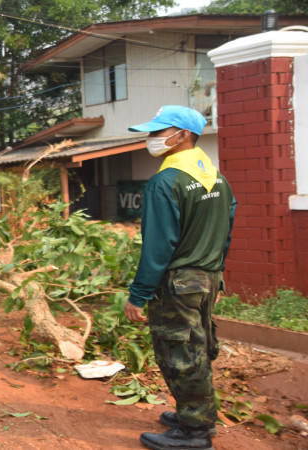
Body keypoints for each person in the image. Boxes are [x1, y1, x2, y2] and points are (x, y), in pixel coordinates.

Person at [124, 105, 236, 450]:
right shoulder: (217, 178)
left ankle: (195, 433)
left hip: (178, 282)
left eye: (159, 132)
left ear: (183, 135)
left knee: (179, 352)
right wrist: (216, 274)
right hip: (208, 276)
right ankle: (196, 413)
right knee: (198, 346)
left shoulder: (165, 181)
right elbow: (226, 231)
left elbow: (158, 246)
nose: (152, 139)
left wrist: (138, 294)